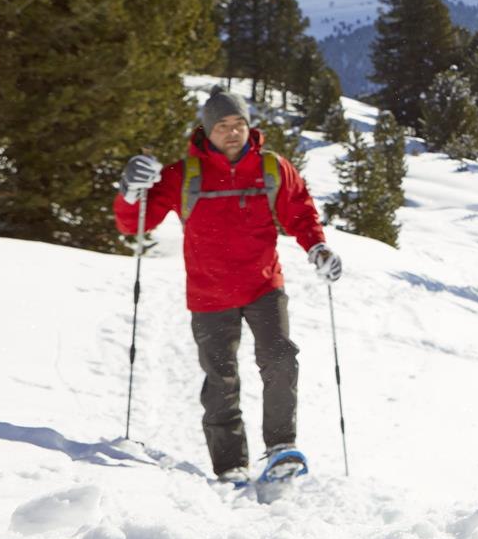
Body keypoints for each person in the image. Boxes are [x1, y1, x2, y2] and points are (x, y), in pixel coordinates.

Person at [114, 88, 341, 481]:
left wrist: (317, 247)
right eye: (223, 125)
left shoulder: (272, 167)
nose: (233, 132)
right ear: (206, 130)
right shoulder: (184, 174)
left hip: (264, 285)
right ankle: (230, 465)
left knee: (281, 358)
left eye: (239, 124)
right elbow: (136, 222)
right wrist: (130, 192)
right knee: (221, 378)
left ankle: (282, 448)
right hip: (209, 292)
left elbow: (300, 212)